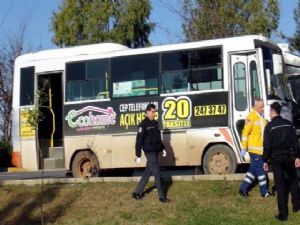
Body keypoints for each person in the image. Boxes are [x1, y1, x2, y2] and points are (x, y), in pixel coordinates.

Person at [263, 102, 300, 221]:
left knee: (280, 185)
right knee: (293, 180)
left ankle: (283, 214)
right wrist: (298, 157)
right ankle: (296, 206)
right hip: (289, 157)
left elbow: (267, 146)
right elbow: (295, 142)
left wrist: (265, 160)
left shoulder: (269, 127)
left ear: (273, 111)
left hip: (276, 159)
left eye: (269, 111)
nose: (269, 113)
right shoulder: (289, 124)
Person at [132, 103, 170, 203]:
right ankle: (162, 196)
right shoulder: (143, 124)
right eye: (153, 112)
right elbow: (138, 140)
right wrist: (138, 154)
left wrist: (163, 148)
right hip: (149, 152)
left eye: (155, 112)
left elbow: (158, 139)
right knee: (157, 172)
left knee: (147, 173)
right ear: (148, 112)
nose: (154, 114)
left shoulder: (155, 123)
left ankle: (137, 192)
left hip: (156, 150)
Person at [239, 98, 271, 198]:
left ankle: (243, 188)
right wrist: (244, 148)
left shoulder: (261, 118)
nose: (263, 108)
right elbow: (245, 133)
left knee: (252, 170)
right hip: (255, 150)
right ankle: (264, 191)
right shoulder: (250, 117)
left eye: (263, 106)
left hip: (260, 150)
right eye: (261, 107)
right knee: (261, 171)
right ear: (255, 107)